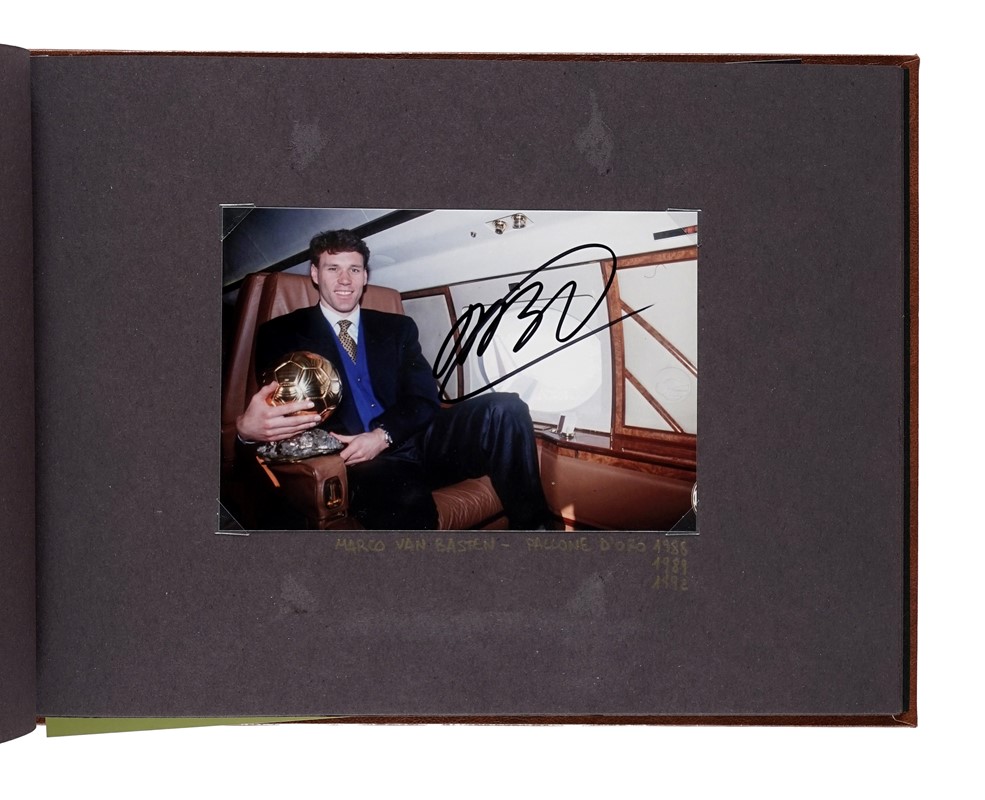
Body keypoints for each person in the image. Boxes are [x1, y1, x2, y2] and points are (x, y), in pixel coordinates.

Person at [236, 229, 551, 530]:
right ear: (315, 274)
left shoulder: (398, 328)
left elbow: (424, 398)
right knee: (408, 508)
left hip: (416, 438)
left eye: (354, 270)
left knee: (505, 407)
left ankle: (535, 534)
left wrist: (383, 435)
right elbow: (277, 417)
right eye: (333, 269)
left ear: (365, 276)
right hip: (359, 461)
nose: (345, 280)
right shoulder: (281, 333)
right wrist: (246, 433)